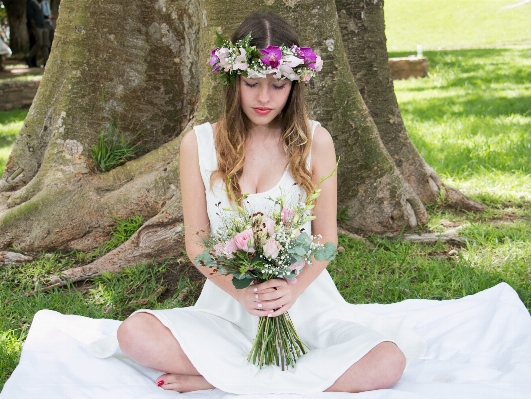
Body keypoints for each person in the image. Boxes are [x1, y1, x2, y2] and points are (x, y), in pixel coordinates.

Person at [91, 12, 426, 394]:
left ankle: (215, 377)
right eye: (251, 83)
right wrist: (240, 292)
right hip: (228, 309)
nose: (264, 98)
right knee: (134, 333)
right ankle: (272, 376)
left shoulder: (316, 141)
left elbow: (327, 240)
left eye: (278, 85)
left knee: (388, 360)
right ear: (234, 81)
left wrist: (293, 289)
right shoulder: (198, 144)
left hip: (305, 305)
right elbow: (196, 242)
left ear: (294, 85)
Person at [25, 0, 49, 68]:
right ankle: (28, 57)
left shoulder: (40, 4)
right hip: (37, 27)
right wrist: (34, 27)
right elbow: (30, 16)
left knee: (45, 45)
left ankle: (46, 61)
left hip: (43, 26)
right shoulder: (31, 3)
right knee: (39, 43)